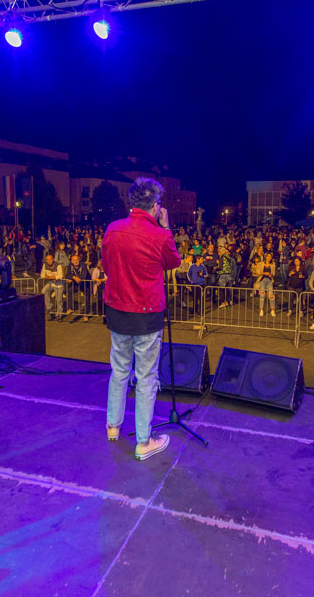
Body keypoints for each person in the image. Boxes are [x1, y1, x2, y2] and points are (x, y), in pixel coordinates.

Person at [101, 177, 181, 461]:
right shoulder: (159, 235)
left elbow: (106, 265)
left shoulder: (113, 229)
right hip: (146, 315)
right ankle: (144, 442)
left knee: (119, 371)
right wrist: (166, 227)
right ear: (155, 206)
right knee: (146, 378)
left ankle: (113, 426)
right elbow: (173, 262)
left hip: (117, 311)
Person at [39, 253, 65, 320]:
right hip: (51, 283)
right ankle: (49, 306)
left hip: (59, 284)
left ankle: (59, 314)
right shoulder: (45, 265)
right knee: (44, 291)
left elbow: (61, 275)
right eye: (47, 260)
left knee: (59, 300)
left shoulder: (58, 265)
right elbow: (42, 275)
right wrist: (48, 277)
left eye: (50, 259)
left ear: (53, 259)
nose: (49, 261)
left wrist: (53, 277)